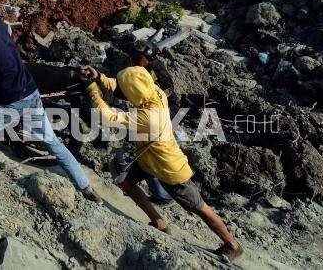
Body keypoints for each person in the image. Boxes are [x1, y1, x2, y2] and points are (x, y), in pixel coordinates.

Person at [79, 44, 243, 261]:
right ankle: (159, 222)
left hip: (170, 168)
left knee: (198, 207)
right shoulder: (154, 93)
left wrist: (92, 89)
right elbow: (121, 87)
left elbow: (108, 116)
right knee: (121, 171)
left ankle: (232, 245)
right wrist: (100, 77)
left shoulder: (149, 116)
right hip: (148, 159)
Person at [0, 0, 102, 203]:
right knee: (53, 143)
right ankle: (86, 187)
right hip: (29, 90)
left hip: (10, 99)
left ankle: (0, 171)